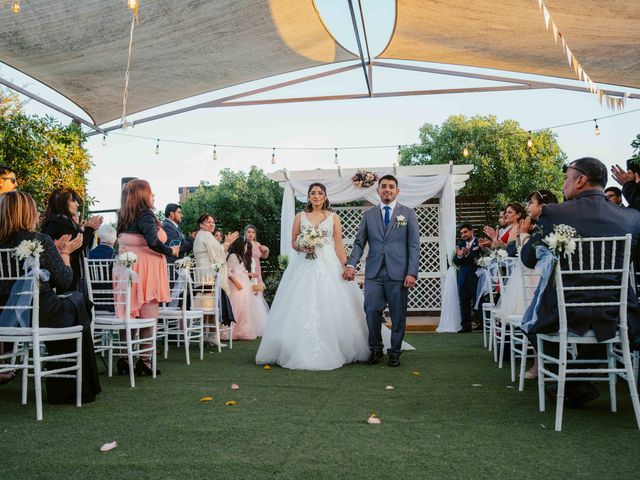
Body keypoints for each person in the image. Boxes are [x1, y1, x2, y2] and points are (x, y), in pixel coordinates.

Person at [521, 157, 640, 407]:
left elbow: (529, 258)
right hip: (619, 313)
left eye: (566, 179)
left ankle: (569, 382)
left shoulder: (554, 213)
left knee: (533, 317)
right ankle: (577, 383)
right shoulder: (631, 217)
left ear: (581, 180)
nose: (564, 184)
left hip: (566, 311)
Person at [256, 183, 371, 370]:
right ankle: (294, 346)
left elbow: (338, 246)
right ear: (308, 197)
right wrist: (303, 246)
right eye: (313, 193)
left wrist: (347, 266)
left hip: (328, 264)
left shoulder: (334, 217)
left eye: (320, 193)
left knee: (333, 302)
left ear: (325, 196)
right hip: (304, 264)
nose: (316, 196)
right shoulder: (299, 217)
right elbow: (293, 242)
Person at [0, 191, 101, 403]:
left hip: (6, 315)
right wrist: (64, 253)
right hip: (39, 313)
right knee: (79, 300)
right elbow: (64, 280)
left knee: (75, 302)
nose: (38, 213)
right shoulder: (38, 240)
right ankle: (75, 387)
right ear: (25, 214)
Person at [345, 175, 420, 367]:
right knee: (371, 310)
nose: (387, 189)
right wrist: (351, 264)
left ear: (397, 191)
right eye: (384, 186)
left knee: (398, 314)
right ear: (378, 190)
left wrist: (412, 272)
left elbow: (413, 245)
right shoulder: (368, 216)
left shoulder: (408, 213)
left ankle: (394, 352)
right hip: (374, 273)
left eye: (391, 187)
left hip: (399, 273)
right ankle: (376, 349)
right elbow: (359, 243)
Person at [115, 179, 179, 376]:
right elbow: (153, 241)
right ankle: (145, 361)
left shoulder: (124, 216)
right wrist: (171, 250)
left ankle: (125, 359)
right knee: (148, 318)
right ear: (142, 195)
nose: (153, 196)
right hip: (145, 273)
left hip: (127, 271)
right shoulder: (145, 215)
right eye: (151, 192)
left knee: (130, 315)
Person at [41, 189, 103, 292]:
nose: (77, 204)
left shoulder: (59, 220)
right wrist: (89, 229)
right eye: (73, 200)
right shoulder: (59, 221)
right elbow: (77, 245)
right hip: (64, 278)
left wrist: (91, 230)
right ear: (62, 202)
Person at [192, 214, 238, 346]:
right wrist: (228, 242)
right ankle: (211, 335)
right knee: (211, 306)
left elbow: (216, 251)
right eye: (208, 222)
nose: (212, 224)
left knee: (208, 306)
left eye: (213, 222)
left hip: (201, 273)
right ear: (201, 224)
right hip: (208, 275)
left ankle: (208, 335)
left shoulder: (200, 235)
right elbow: (218, 252)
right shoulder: (206, 235)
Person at [225, 237, 268, 340]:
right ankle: (231, 331)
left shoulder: (240, 257)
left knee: (244, 309)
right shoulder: (233, 256)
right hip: (237, 285)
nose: (246, 248)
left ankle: (242, 331)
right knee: (236, 307)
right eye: (245, 246)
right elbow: (228, 272)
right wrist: (236, 283)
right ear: (240, 245)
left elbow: (241, 270)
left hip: (244, 284)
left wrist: (249, 274)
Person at [453, 222, 481, 333]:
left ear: (472, 231)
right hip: (463, 277)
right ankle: (466, 326)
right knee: (464, 301)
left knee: (478, 300)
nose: (463, 235)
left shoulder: (480, 242)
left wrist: (468, 254)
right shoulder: (460, 244)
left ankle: (481, 323)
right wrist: (460, 255)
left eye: (465, 232)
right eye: (461, 233)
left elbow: (479, 258)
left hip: (476, 277)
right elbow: (455, 261)